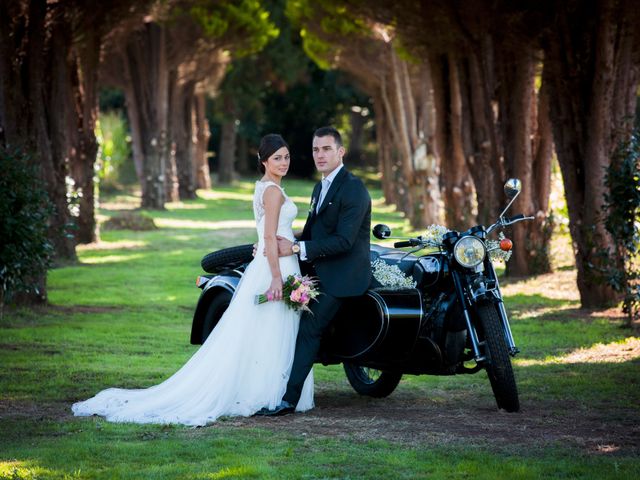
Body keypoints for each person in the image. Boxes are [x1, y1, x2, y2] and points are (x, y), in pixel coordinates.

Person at [71, 134, 313, 426]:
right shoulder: (272, 191)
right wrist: (276, 278)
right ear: (263, 161)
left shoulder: (263, 188)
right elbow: (268, 238)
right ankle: (267, 392)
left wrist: (296, 240)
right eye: (277, 158)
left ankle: (267, 389)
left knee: (265, 330)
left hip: (273, 260)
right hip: (275, 267)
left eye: (286, 157)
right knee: (271, 329)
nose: (284, 162)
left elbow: (275, 232)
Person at [256, 126, 372, 416]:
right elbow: (312, 232)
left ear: (341, 151)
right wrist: (275, 240)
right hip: (317, 270)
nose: (320, 155)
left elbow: (344, 241)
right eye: (315, 150)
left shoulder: (353, 188)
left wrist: (294, 249)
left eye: (326, 149)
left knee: (308, 329)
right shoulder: (320, 187)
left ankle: (287, 401)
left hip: (343, 276)